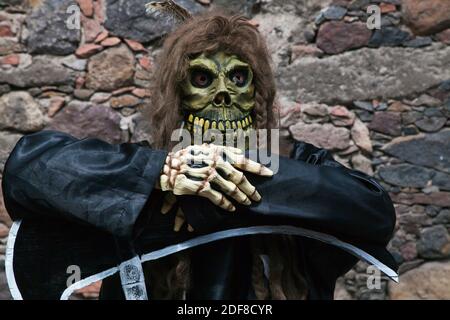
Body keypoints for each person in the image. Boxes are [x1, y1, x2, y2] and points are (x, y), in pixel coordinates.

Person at [2, 8, 397, 300]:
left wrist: (238, 176)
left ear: (255, 93)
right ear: (179, 94)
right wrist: (160, 173)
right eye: (203, 78)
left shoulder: (300, 160)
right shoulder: (141, 166)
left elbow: (373, 210)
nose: (222, 94)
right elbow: (27, 168)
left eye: (238, 78)